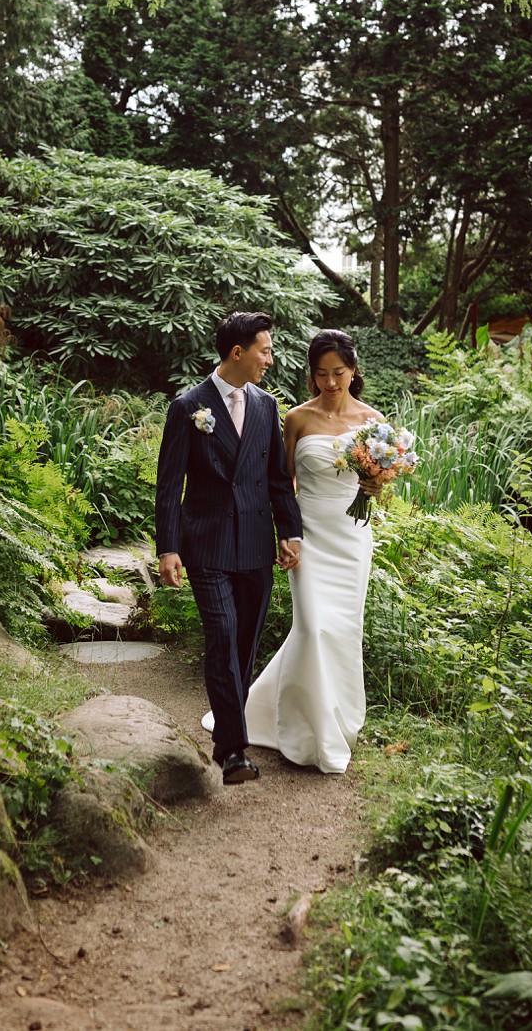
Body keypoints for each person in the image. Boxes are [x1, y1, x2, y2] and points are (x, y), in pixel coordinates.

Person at [155, 311, 304, 785]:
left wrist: (290, 532)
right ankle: (234, 751)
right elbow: (169, 484)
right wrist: (168, 548)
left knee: (243, 645)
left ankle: (227, 736)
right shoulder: (188, 407)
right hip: (207, 543)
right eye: (265, 350)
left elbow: (277, 479)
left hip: (256, 546)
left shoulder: (266, 406)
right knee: (222, 636)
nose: (270, 360)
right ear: (237, 352)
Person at [240, 330, 384, 774]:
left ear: (353, 370)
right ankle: (304, 732)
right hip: (307, 534)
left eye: (338, 372)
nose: (330, 382)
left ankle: (335, 723)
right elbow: (283, 482)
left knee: (341, 631)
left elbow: (379, 487)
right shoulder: (297, 418)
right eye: (321, 374)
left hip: (351, 537)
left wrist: (375, 485)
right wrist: (285, 534)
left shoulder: (374, 421)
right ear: (312, 375)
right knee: (312, 627)